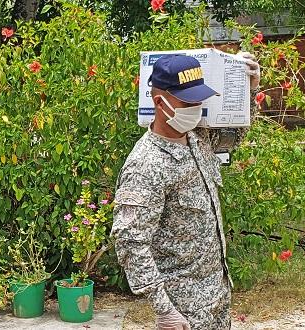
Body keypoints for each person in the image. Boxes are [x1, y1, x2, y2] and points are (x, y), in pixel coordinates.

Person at [111, 53, 261, 329]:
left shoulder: (197, 138)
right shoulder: (146, 165)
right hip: (183, 311)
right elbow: (130, 242)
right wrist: (164, 310)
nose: (197, 106)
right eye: (188, 102)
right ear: (160, 102)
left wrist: (247, 88)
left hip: (216, 297)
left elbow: (234, 135)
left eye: (199, 99)